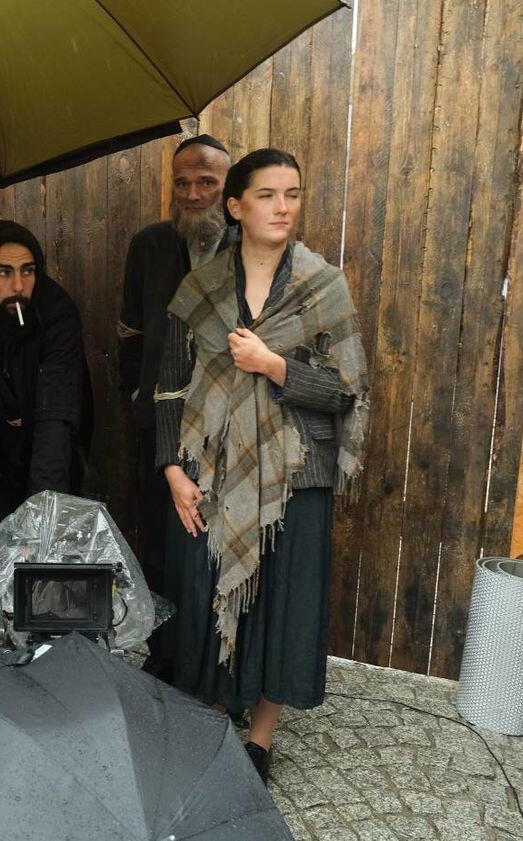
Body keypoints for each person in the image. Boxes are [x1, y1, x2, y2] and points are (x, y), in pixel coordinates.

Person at [153, 148, 368, 783]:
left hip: (295, 475)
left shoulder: (322, 286)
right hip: (210, 472)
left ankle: (261, 738)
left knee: (282, 601)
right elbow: (169, 387)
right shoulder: (200, 289)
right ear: (236, 206)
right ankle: (216, 710)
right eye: (268, 195)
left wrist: (275, 367)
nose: (282, 207)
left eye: (292, 194)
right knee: (207, 591)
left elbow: (344, 391)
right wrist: (172, 470)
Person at [118, 134, 232, 678]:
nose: (192, 193)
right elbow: (129, 332)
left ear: (228, 188)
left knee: (219, 548)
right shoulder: (149, 245)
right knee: (160, 545)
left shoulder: (248, 248)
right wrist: (137, 394)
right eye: (182, 182)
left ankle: (217, 667)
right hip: (156, 426)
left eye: (207, 181)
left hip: (227, 427)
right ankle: (163, 661)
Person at [0, 220, 93, 528]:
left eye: (28, 270)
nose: (19, 286)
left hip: (53, 430)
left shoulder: (55, 311)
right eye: (4, 272)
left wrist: (41, 513)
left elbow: (56, 412)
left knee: (48, 523)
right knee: (7, 526)